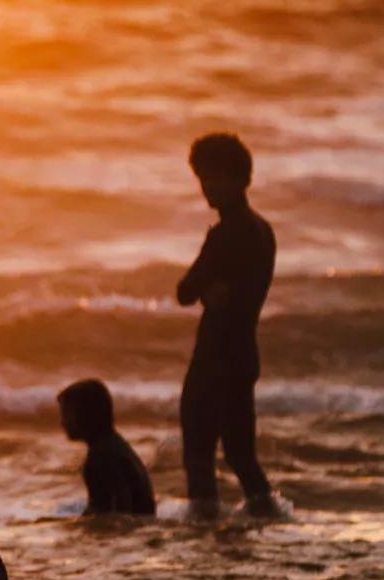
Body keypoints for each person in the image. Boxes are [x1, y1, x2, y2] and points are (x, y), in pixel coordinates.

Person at [176, 134, 278, 519]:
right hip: (244, 351)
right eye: (203, 178)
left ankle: (203, 529)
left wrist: (204, 290)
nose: (207, 188)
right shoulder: (263, 231)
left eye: (214, 178)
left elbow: (184, 291)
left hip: (215, 354)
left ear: (239, 179)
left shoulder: (224, 234)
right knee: (240, 455)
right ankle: (269, 517)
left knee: (198, 452)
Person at [58, 379, 157, 517]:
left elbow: (116, 517)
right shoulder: (114, 445)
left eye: (66, 414)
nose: (62, 422)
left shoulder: (101, 457)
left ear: (84, 414)